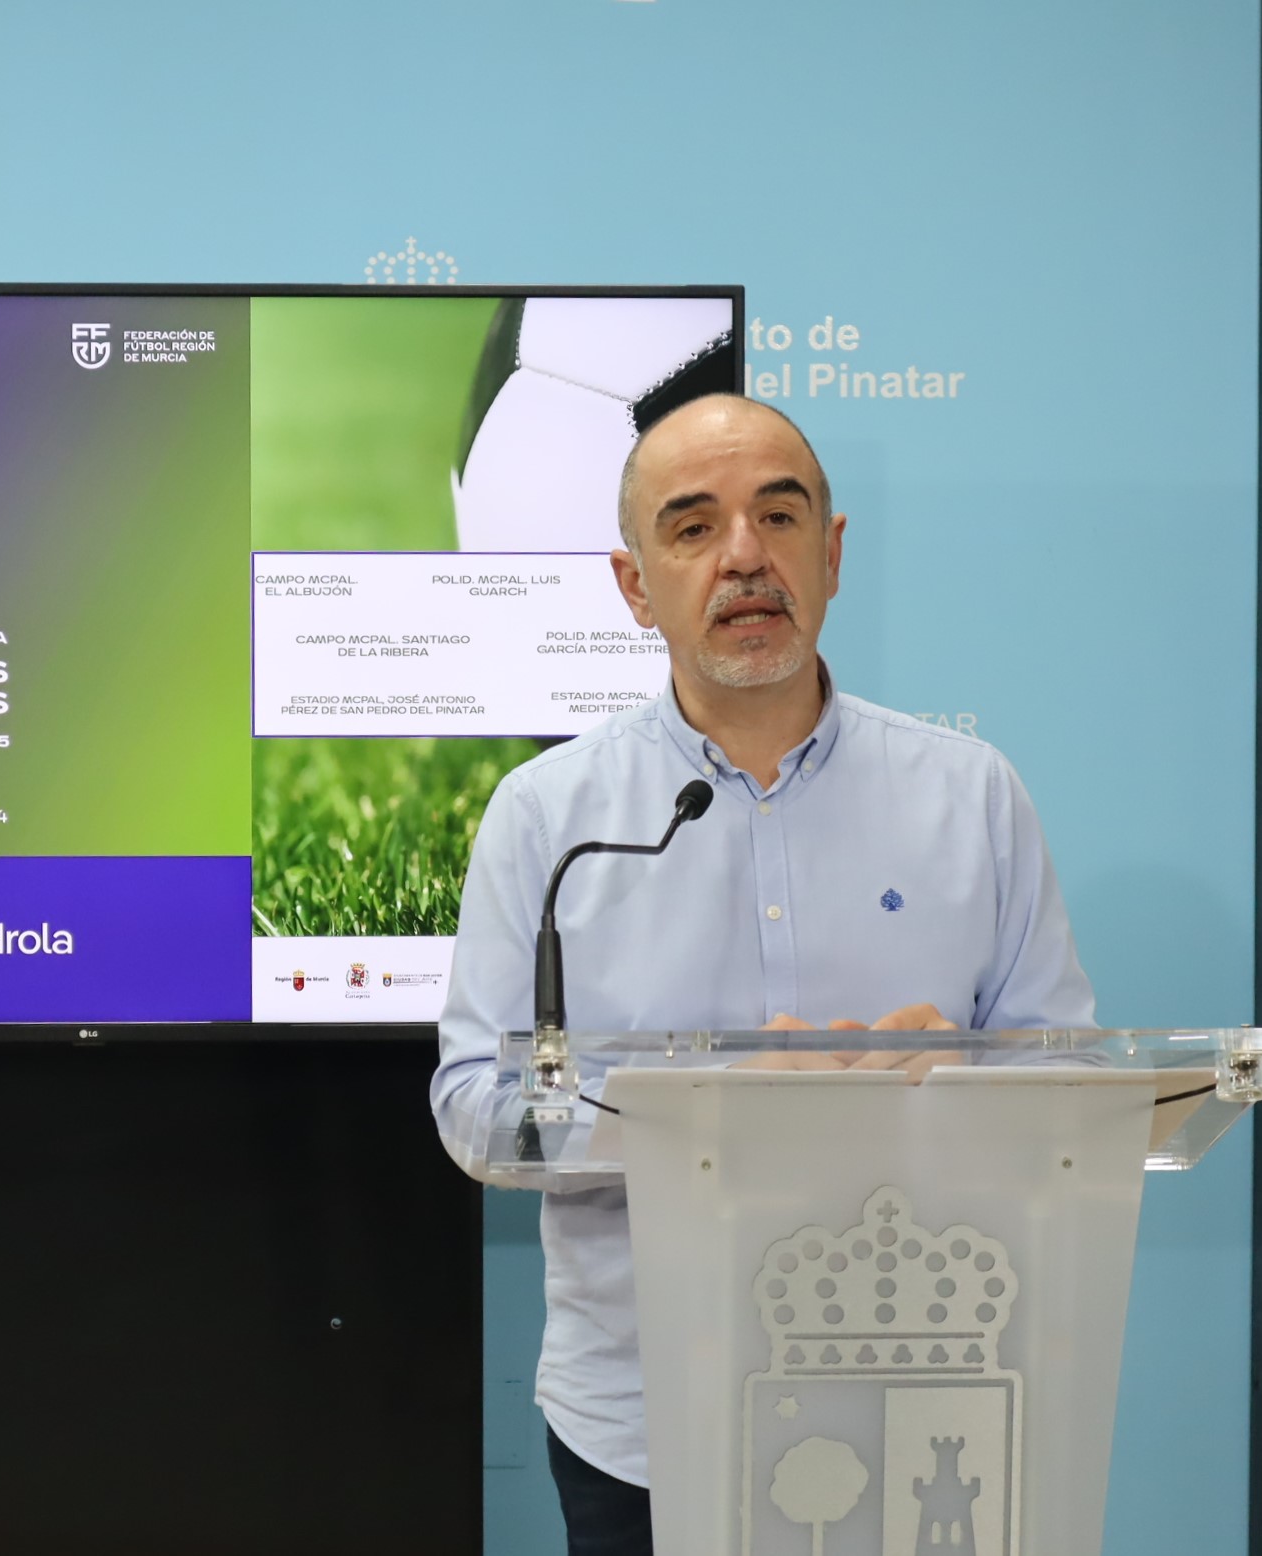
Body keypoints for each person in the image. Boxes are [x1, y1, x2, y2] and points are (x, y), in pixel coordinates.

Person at [430, 393, 1094, 1556]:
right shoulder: (549, 816)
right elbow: (478, 1112)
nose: (744, 555)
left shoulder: (970, 793)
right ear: (634, 586)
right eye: (691, 527)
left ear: (830, 554)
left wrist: (969, 1076)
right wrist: (715, 1115)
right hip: (643, 1419)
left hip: (923, 1390)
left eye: (777, 515)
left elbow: (1070, 1082)